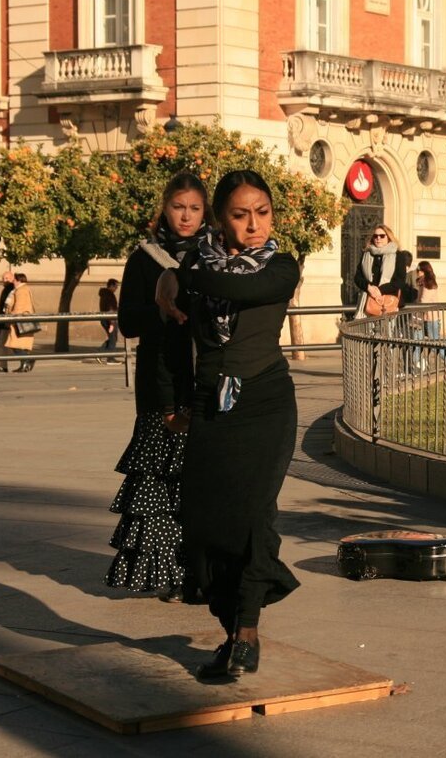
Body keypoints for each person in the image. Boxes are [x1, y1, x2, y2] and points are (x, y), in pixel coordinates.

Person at [157, 169, 301, 681]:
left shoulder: (280, 265)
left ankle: (247, 633)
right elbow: (170, 340)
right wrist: (173, 404)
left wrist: (179, 275)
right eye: (241, 215)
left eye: (263, 213)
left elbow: (245, 289)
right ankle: (230, 627)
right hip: (210, 405)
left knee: (254, 517)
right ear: (220, 219)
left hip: (266, 402)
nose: (254, 225)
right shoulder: (195, 265)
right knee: (204, 524)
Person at [104, 172, 210, 601]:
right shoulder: (144, 258)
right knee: (158, 484)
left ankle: (201, 571)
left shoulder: (213, 256)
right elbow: (128, 323)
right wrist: (162, 310)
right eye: (178, 207)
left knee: (202, 483)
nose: (186, 217)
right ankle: (165, 572)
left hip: (204, 382)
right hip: (159, 382)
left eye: (194, 208)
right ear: (164, 209)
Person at [353, 225, 405, 319]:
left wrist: (379, 290)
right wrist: (368, 287)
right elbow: (357, 277)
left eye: (382, 236)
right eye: (375, 236)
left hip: (387, 304)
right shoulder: (367, 254)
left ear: (388, 237)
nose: (378, 238)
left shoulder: (398, 255)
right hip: (367, 302)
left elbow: (400, 281)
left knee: (385, 328)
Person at [413, 260, 446, 369]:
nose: (417, 272)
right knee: (417, 342)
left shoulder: (428, 284)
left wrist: (414, 306)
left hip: (430, 319)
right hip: (422, 318)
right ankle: (417, 365)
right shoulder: (423, 283)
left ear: (424, 271)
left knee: (434, 344)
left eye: (419, 270)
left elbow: (423, 301)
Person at [2, 273, 37, 372]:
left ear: (19, 280)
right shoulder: (21, 289)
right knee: (19, 345)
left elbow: (19, 307)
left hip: (19, 322)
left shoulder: (21, 290)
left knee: (15, 345)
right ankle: (24, 365)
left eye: (14, 280)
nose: (13, 282)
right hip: (20, 321)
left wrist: (11, 316)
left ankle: (28, 360)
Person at [99, 278, 120, 355]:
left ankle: (100, 351)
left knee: (113, 338)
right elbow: (110, 309)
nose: (116, 288)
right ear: (111, 285)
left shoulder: (106, 294)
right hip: (110, 319)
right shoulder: (109, 295)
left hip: (107, 319)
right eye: (116, 286)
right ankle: (110, 357)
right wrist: (112, 323)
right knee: (113, 339)